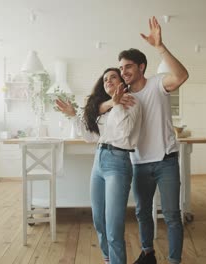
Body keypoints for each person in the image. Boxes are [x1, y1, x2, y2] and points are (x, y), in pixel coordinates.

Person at [99, 16, 189, 264]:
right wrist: (110, 102)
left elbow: (181, 76)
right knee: (142, 213)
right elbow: (98, 109)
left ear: (141, 67)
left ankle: (173, 261)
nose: (123, 72)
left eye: (128, 66)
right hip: (138, 162)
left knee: (171, 215)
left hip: (166, 160)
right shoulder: (123, 96)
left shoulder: (159, 84)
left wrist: (160, 46)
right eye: (121, 68)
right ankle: (148, 253)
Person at [55, 68, 142, 264]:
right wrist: (71, 116)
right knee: (99, 221)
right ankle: (108, 259)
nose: (108, 81)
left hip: (118, 162)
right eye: (105, 79)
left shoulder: (131, 102)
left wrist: (118, 104)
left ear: (122, 82)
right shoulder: (104, 110)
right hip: (99, 161)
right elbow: (89, 137)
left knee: (113, 226)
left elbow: (123, 133)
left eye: (113, 77)